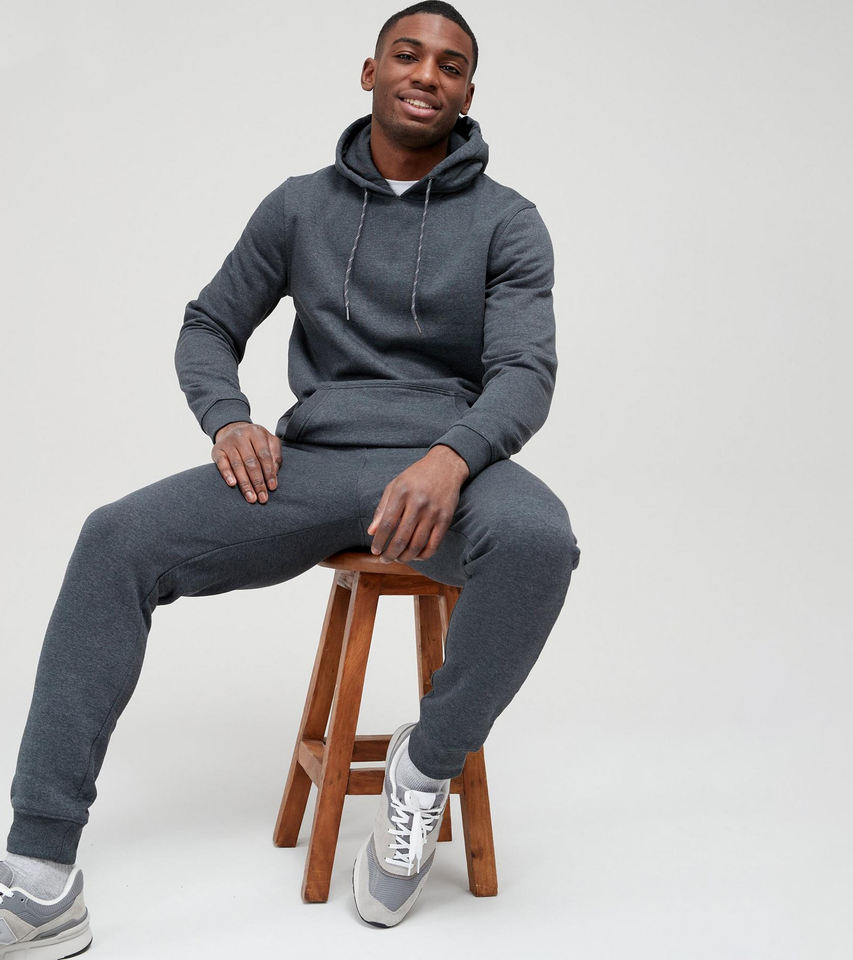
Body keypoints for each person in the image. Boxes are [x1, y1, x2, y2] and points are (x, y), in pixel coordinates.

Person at [0, 0, 580, 950]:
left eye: (450, 66)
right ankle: (38, 876)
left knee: (540, 540)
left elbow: (525, 372)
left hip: (447, 470)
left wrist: (451, 458)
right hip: (312, 465)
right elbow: (208, 324)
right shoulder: (298, 205)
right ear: (371, 73)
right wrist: (228, 418)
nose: (426, 75)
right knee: (114, 539)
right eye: (407, 55)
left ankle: (423, 770)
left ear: (469, 94)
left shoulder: (510, 222)